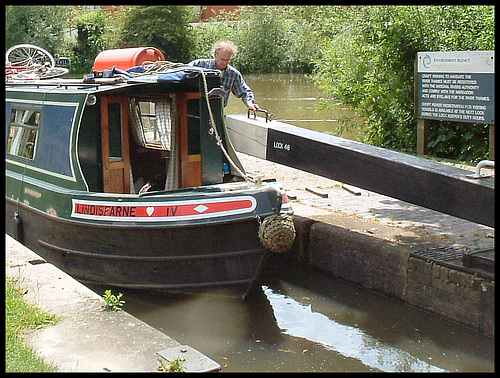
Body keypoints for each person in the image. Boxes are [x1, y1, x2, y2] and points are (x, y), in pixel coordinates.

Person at [189, 41, 259, 112]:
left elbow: (245, 92)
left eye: (227, 60)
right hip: (193, 108)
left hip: (218, 112)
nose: (224, 63)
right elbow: (180, 72)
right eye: (222, 59)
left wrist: (250, 104)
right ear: (215, 55)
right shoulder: (198, 65)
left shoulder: (233, 74)